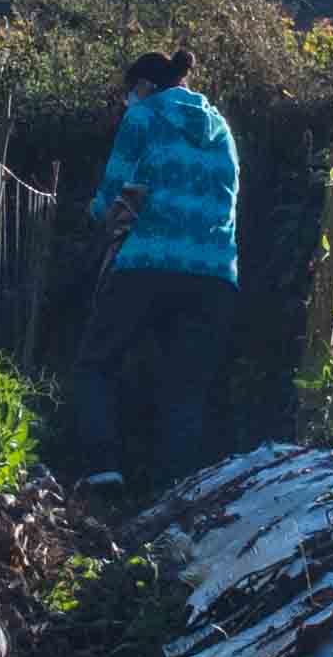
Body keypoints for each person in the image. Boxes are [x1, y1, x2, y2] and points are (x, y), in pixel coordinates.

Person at [76, 50, 243, 494]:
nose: (127, 100)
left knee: (97, 361)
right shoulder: (220, 127)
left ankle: (102, 470)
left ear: (144, 86)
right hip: (214, 274)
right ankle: (177, 492)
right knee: (186, 386)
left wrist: (95, 217)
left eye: (128, 92)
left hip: (147, 264)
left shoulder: (144, 116)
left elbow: (113, 192)